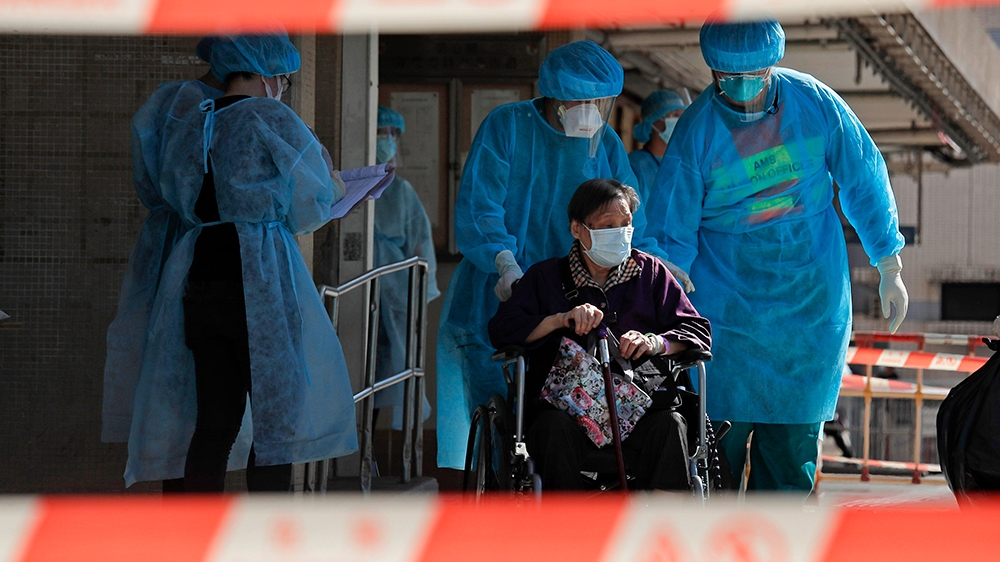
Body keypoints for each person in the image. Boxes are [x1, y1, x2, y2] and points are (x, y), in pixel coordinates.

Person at [645, 18, 908, 493]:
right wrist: (668, 289)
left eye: (754, 75)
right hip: (725, 313)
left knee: (790, 455)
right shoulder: (696, 131)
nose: (742, 87)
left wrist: (887, 260)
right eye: (729, 77)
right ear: (713, 72)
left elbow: (864, 176)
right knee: (715, 459)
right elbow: (670, 229)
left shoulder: (816, 104)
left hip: (807, 307)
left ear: (773, 63)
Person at [123, 32, 358, 491]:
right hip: (258, 275)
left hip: (197, 273)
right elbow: (310, 204)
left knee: (215, 419)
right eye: (283, 78)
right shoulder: (271, 116)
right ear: (263, 70)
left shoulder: (191, 121)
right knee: (276, 425)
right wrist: (337, 186)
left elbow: (164, 191)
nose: (283, 87)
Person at [436, 40, 672, 469]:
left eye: (599, 102)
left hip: (574, 292)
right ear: (554, 94)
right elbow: (480, 206)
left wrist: (654, 258)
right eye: (581, 101)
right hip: (502, 288)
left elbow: (627, 212)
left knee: (566, 405)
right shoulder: (508, 126)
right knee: (499, 412)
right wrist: (504, 263)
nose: (592, 111)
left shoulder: (604, 142)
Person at [489, 178, 712, 489]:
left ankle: (666, 517)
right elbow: (502, 330)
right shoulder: (545, 277)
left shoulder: (652, 274)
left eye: (626, 224)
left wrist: (655, 343)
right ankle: (567, 519)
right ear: (577, 229)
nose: (620, 233)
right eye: (608, 225)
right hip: (566, 414)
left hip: (642, 411)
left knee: (671, 424)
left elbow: (696, 330)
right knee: (551, 427)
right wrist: (560, 320)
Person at [102, 36, 226, 444]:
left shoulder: (184, 102)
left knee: (181, 382)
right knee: (175, 378)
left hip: (176, 245)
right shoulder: (191, 104)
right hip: (186, 250)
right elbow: (190, 185)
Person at [373, 105, 441, 429]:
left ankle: (370, 443)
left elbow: (420, 249)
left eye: (393, 134)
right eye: (381, 132)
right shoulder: (350, 184)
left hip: (397, 295)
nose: (388, 140)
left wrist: (415, 296)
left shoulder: (400, 191)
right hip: (362, 293)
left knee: (388, 372)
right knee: (357, 371)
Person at [628, 90, 687, 204]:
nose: (680, 122)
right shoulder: (636, 165)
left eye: (682, 116)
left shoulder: (682, 165)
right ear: (653, 120)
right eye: (674, 115)